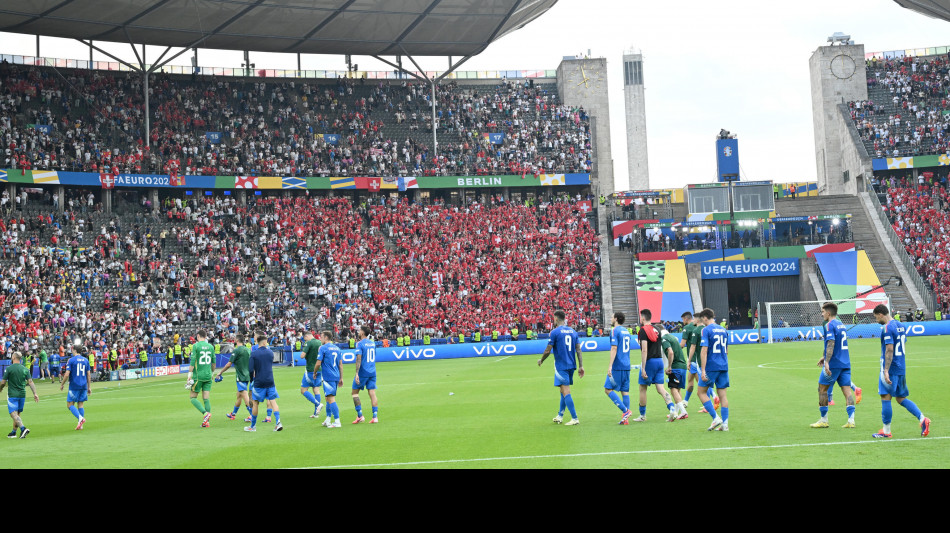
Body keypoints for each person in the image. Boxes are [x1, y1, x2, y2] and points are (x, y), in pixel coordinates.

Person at [871, 305, 931, 438]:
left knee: (885, 397)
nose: (876, 320)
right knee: (900, 398)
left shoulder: (887, 328)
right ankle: (922, 419)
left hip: (891, 368)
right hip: (901, 367)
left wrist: (886, 370)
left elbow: (890, 349)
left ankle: (886, 432)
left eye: (876, 317)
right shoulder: (901, 326)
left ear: (880, 314)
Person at [810, 303, 856, 429]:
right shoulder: (841, 324)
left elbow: (831, 343)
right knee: (847, 391)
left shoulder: (829, 325)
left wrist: (827, 362)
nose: (822, 314)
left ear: (828, 313)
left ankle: (824, 420)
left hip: (834, 363)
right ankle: (851, 421)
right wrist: (824, 356)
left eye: (823, 311)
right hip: (845, 363)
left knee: (822, 389)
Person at [537, 309, 583, 426]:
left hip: (561, 366)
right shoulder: (573, 331)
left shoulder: (555, 332)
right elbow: (578, 349)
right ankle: (560, 415)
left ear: (556, 318)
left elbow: (548, 350)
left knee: (566, 391)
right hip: (571, 365)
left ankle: (574, 418)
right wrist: (581, 366)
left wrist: (541, 360)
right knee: (562, 390)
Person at [632, 309, 676, 423]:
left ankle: (642, 415)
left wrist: (643, 368)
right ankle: (672, 408)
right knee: (660, 388)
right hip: (659, 361)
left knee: (642, 388)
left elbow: (644, 350)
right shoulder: (657, 329)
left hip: (650, 362)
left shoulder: (643, 330)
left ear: (642, 318)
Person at [698, 308, 729, 431]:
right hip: (723, 365)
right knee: (723, 395)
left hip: (712, 366)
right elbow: (726, 350)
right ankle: (725, 424)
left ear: (705, 317)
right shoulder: (723, 329)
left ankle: (715, 418)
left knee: (701, 392)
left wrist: (703, 370)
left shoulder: (706, 330)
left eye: (702, 319)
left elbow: (704, 350)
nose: (703, 322)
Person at [246, 332, 283, 432]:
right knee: (273, 401)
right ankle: (278, 422)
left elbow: (250, 370)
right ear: (265, 342)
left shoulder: (254, 354)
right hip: (270, 380)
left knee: (255, 403)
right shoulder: (270, 353)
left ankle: (253, 426)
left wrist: (251, 379)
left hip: (259, 381)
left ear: (257, 342)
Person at [1, 352, 38, 439]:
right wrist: (35, 393)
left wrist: (0, 389)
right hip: (22, 394)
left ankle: (23, 428)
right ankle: (14, 432)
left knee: (13, 413)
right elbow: (30, 382)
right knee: (17, 414)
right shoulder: (25, 369)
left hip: (12, 394)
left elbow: (3, 382)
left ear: (13, 357)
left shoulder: (9, 368)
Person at [604, 312, 633, 424]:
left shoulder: (614, 330)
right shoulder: (627, 331)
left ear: (616, 319)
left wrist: (610, 365)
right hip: (626, 364)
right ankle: (625, 419)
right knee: (624, 391)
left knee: (608, 389)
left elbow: (614, 348)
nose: (611, 318)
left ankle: (625, 411)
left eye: (612, 317)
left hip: (618, 365)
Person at [217, 334, 253, 422]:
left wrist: (220, 372)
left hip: (240, 376)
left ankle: (252, 415)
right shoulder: (248, 350)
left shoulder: (237, 351)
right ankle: (233, 414)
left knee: (244, 395)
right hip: (247, 375)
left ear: (237, 340)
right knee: (239, 396)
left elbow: (229, 364)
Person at [186, 330, 215, 428]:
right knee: (206, 398)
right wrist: (212, 373)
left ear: (198, 336)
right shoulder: (211, 346)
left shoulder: (196, 346)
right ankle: (207, 422)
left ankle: (205, 413)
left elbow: (193, 361)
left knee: (193, 397)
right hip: (208, 375)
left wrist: (189, 375)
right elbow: (214, 362)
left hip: (198, 376)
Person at [316, 331, 344, 428]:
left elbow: (318, 363)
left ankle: (337, 421)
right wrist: (341, 378)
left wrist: (315, 372)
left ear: (326, 337)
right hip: (336, 376)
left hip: (328, 376)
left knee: (331, 398)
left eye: (321, 337)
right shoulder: (337, 348)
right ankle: (328, 419)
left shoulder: (323, 348)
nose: (320, 338)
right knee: (328, 398)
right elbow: (340, 364)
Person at [60, 345, 92, 431]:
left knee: (70, 404)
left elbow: (67, 374)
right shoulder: (86, 360)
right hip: (83, 385)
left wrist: (62, 384)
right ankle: (80, 425)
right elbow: (88, 374)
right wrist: (89, 387)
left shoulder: (71, 360)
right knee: (80, 404)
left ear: (74, 350)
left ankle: (80, 419)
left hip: (74, 385)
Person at [352, 325, 379, 424]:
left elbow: (358, 358)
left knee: (354, 393)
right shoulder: (372, 343)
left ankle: (360, 416)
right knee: (372, 393)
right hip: (373, 371)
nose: (358, 332)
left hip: (363, 371)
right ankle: (375, 417)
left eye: (359, 331)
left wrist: (357, 373)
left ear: (362, 333)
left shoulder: (360, 344)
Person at [661, 328, 689, 420]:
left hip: (676, 367)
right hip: (683, 366)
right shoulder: (673, 337)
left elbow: (670, 352)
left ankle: (683, 412)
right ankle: (677, 412)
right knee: (677, 389)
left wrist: (669, 367)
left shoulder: (664, 338)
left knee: (673, 389)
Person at [300, 332, 324, 419]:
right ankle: (316, 413)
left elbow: (302, 356)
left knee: (303, 390)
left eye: (304, 339)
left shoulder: (308, 343)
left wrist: (304, 353)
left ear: (306, 336)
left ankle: (318, 404)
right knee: (316, 389)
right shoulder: (319, 342)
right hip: (320, 369)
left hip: (310, 369)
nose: (305, 341)